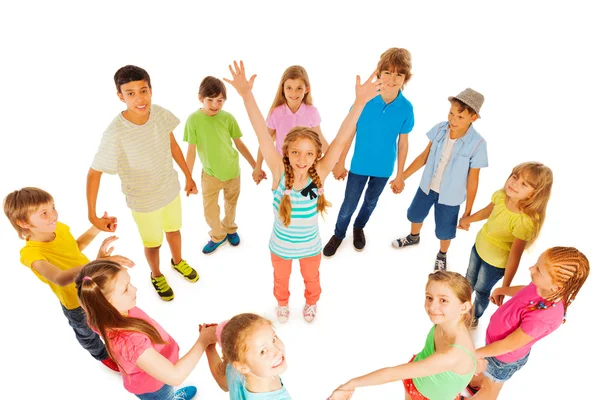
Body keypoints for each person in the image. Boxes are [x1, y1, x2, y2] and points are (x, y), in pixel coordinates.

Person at [224, 60, 382, 323]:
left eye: (309, 154)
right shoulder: (278, 173)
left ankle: (311, 303)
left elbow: (343, 137)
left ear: (317, 155)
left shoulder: (318, 174)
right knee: (281, 279)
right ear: (285, 151)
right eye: (295, 152)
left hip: (310, 248)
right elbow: (261, 133)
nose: (301, 159)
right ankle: (283, 304)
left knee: (312, 278)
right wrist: (246, 95)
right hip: (280, 248)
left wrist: (360, 103)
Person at [87, 65, 199, 301]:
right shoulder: (115, 133)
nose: (139, 98)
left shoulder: (159, 114)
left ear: (151, 90)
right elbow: (94, 173)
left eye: (143, 90)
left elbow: (172, 144)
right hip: (144, 200)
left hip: (169, 189)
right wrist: (92, 215)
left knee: (174, 230)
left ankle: (178, 262)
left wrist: (188, 176)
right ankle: (157, 274)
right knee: (153, 242)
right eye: (130, 93)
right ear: (120, 96)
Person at [3, 187, 134, 371]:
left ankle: (124, 344)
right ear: (23, 222)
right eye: (44, 213)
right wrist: (97, 263)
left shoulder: (60, 228)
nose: (53, 215)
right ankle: (102, 355)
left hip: (94, 287)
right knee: (86, 332)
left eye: (53, 207)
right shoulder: (31, 254)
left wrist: (96, 228)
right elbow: (60, 278)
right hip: (75, 302)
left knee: (110, 317)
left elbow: (75, 247)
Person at [76, 260, 217, 399]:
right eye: (125, 289)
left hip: (154, 370)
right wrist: (203, 341)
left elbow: (90, 288)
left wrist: (101, 265)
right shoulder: (130, 343)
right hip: (154, 386)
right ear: (104, 304)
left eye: (129, 283)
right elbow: (175, 377)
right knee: (165, 396)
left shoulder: (97, 313)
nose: (134, 289)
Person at [329, 271, 478, 400]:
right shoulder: (447, 320)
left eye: (443, 300)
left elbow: (392, 374)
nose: (432, 306)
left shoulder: (453, 355)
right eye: (429, 297)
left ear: (464, 307)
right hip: (417, 378)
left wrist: (350, 385)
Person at [323, 47, 415, 256]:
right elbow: (349, 133)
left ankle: (359, 227)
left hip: (384, 169)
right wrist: (340, 162)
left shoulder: (406, 108)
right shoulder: (364, 101)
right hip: (359, 165)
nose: (392, 78)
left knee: (371, 202)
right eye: (388, 72)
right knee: (349, 203)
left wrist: (400, 174)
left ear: (405, 79)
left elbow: (403, 143)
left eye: (399, 74)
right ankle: (338, 234)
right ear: (379, 73)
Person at [467, 247, 589, 399]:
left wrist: (471, 354)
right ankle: (479, 382)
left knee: (490, 390)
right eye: (536, 264)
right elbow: (526, 290)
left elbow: (508, 346)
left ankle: (483, 391)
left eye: (538, 270)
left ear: (556, 286)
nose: (531, 268)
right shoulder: (544, 287)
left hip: (502, 359)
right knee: (487, 370)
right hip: (495, 347)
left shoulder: (543, 317)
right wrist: (502, 290)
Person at [392, 88, 488, 271]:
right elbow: (423, 157)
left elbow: (473, 180)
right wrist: (401, 177)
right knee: (414, 214)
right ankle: (414, 237)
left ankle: (442, 254)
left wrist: (468, 212)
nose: (453, 120)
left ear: (473, 118)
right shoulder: (440, 129)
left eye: (460, 117)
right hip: (427, 187)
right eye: (451, 113)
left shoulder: (478, 145)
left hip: (451, 197)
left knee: (445, 230)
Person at [459, 162, 553, 327]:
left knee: (481, 290)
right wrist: (469, 219)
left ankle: (473, 316)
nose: (515, 183)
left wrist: (505, 287)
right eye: (515, 177)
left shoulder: (525, 221)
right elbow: (488, 211)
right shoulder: (501, 196)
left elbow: (514, 257)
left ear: (534, 194)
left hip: (495, 264)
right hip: (478, 248)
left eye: (524, 184)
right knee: (469, 281)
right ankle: (461, 306)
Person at [184, 76, 259, 254]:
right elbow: (191, 151)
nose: (215, 105)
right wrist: (188, 178)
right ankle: (217, 235)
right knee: (210, 211)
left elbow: (239, 144)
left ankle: (230, 228)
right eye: (210, 100)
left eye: (220, 101)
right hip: (210, 175)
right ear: (200, 98)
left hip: (232, 171)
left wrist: (255, 166)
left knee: (231, 205)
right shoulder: (193, 120)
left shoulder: (228, 118)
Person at [253, 65, 328, 184]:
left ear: (306, 89)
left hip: (304, 166)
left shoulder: (311, 112)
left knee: (303, 200)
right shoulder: (276, 113)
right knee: (283, 199)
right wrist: (258, 167)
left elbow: (320, 139)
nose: (294, 93)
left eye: (299, 88)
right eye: (289, 88)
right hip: (282, 167)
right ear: (282, 88)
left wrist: (334, 164)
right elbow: (264, 141)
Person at [205, 313, 292, 399]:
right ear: (242, 366)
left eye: (273, 339)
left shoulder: (237, 366)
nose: (277, 351)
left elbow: (223, 384)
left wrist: (209, 347)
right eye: (263, 351)